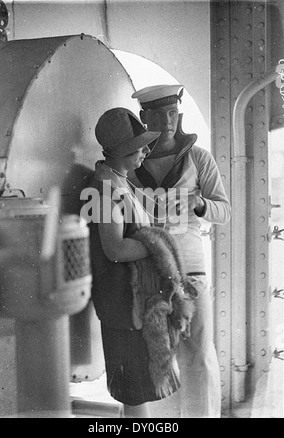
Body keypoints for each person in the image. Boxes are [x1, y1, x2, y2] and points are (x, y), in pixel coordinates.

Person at [81, 107, 197, 418]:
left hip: (127, 304)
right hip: (124, 306)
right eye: (139, 148)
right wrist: (158, 244)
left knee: (133, 391)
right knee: (134, 394)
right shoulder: (106, 189)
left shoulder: (117, 180)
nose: (147, 151)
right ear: (121, 152)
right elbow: (114, 248)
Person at [129, 84, 231, 418]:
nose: (168, 120)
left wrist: (200, 203)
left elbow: (224, 211)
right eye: (158, 114)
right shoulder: (133, 165)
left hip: (192, 271)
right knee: (160, 356)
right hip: (151, 273)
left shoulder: (198, 158)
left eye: (172, 113)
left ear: (180, 114)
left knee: (198, 356)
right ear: (145, 118)